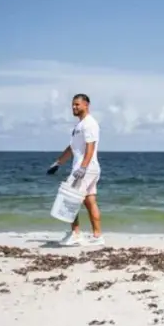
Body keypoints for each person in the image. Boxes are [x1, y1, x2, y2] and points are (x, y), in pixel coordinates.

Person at [46, 93, 103, 246]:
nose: (74, 107)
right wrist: (58, 163)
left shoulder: (89, 123)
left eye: (77, 104)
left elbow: (90, 146)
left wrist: (83, 167)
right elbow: (72, 148)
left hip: (85, 169)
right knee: (90, 201)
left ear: (86, 105)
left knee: (70, 199)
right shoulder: (79, 125)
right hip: (89, 168)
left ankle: (76, 234)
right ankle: (98, 236)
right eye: (73, 104)